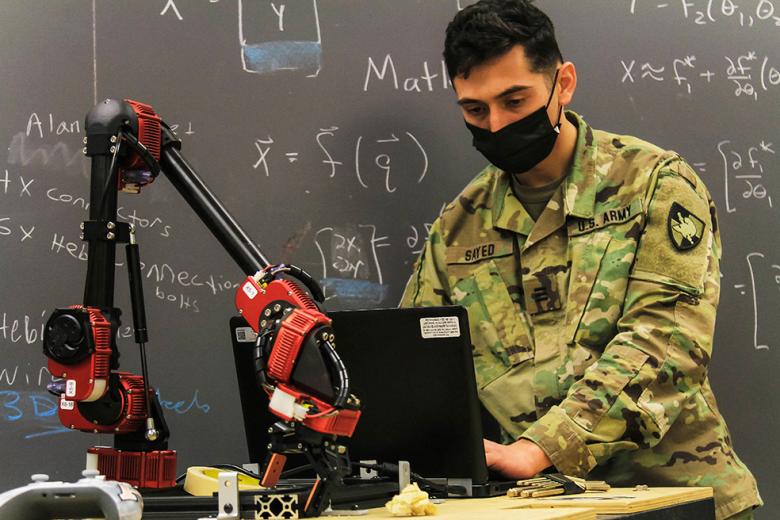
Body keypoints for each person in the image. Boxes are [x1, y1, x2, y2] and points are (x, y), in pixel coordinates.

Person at [399, 1, 762, 518]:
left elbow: (665, 341)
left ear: (562, 83)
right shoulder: (457, 228)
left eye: (515, 100)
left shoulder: (655, 183)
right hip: (536, 507)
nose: (497, 125)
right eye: (475, 110)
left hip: (669, 493)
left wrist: (543, 446)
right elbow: (415, 364)